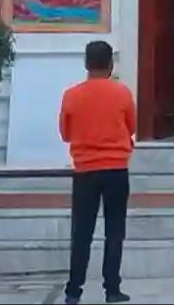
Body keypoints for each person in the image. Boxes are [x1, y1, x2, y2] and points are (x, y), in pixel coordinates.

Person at [57, 40, 135, 305]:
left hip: (85, 170)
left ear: (86, 64)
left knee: (82, 232)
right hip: (116, 169)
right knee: (114, 230)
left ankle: (73, 291)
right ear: (111, 64)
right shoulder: (122, 93)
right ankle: (112, 289)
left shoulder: (71, 95)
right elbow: (131, 126)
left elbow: (66, 133)